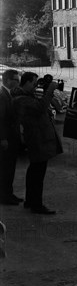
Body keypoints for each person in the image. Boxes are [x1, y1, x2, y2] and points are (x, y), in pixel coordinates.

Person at [12, 72, 63, 214]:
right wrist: (50, 89)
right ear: (27, 82)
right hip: (36, 139)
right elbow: (40, 108)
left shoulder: (26, 96)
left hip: (38, 138)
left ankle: (30, 201)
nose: (36, 86)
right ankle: (36, 205)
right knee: (38, 174)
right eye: (34, 83)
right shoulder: (20, 99)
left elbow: (44, 106)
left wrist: (46, 92)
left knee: (34, 172)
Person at [0, 69, 22, 205]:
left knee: (10, 167)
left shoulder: (8, 94)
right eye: (16, 79)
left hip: (11, 137)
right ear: (8, 80)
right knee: (6, 169)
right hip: (6, 139)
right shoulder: (2, 96)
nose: (18, 82)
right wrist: (3, 139)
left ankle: (9, 193)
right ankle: (4, 196)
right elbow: (1, 119)